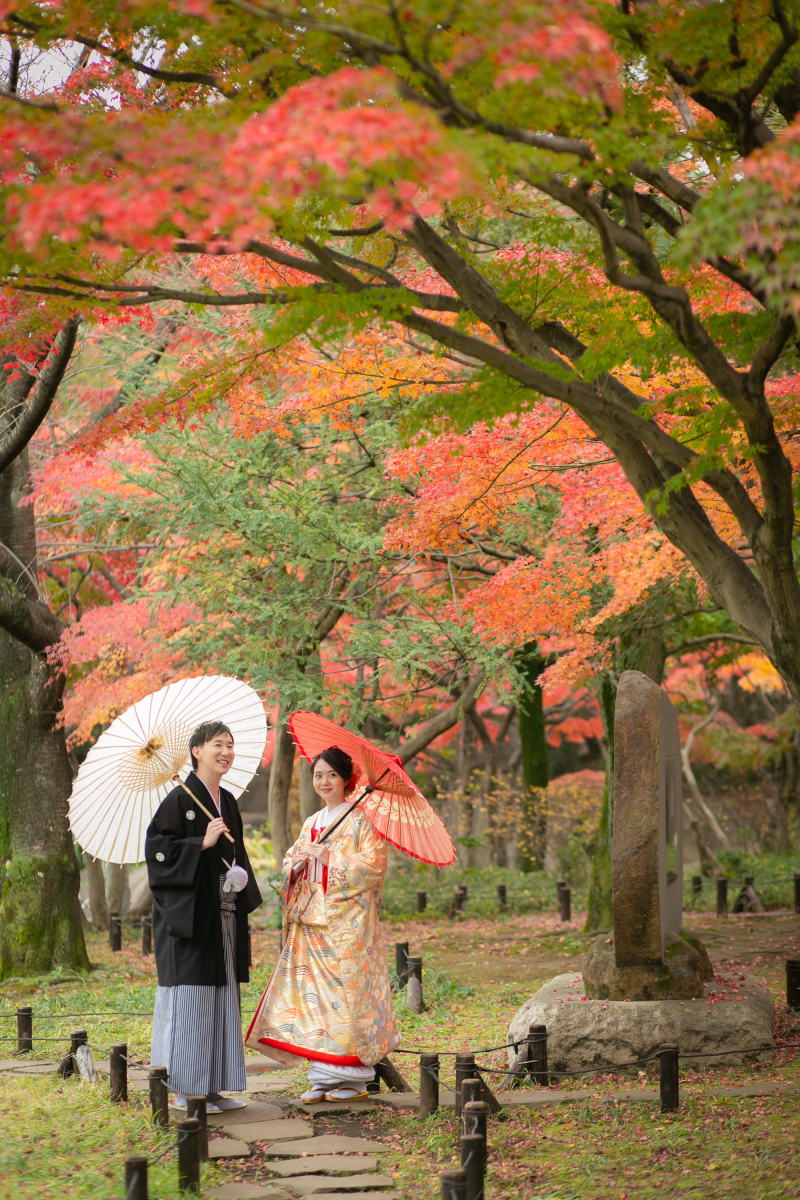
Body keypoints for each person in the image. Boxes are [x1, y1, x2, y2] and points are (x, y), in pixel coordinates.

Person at [245, 746, 398, 1102]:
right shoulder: (312, 822)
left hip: (345, 927)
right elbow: (290, 861)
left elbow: (374, 866)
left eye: (332, 775)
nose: (324, 781)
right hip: (310, 922)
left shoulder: (360, 821)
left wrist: (331, 858)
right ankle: (321, 1076)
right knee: (313, 998)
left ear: (346, 780)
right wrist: (297, 863)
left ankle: (353, 1080)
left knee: (343, 998)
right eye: (318, 775)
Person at [145, 719, 262, 1113]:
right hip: (190, 920)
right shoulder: (178, 800)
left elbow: (236, 854)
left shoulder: (227, 800)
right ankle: (186, 1091)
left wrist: (238, 875)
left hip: (223, 916)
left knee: (221, 998)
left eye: (230, 745)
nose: (226, 752)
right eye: (218, 745)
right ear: (196, 751)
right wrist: (200, 843)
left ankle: (212, 1087)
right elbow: (158, 855)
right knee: (192, 999)